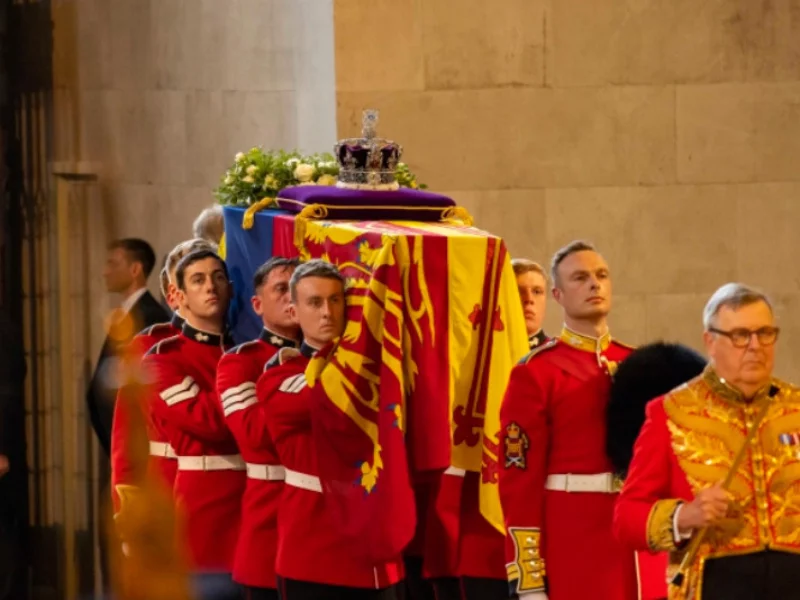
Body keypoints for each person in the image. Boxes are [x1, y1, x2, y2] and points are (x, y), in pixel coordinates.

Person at [614, 283, 800, 600]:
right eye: (740, 335)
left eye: (765, 333)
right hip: (715, 583)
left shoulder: (795, 407)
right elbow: (626, 519)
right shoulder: (671, 412)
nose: (756, 346)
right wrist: (685, 515)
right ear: (710, 342)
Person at [256, 259, 405, 599]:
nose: (327, 312)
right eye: (315, 302)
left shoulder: (377, 370)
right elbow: (331, 400)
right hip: (316, 554)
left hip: (380, 552)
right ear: (294, 311)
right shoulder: (278, 377)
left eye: (336, 300)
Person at [498, 240, 637, 600]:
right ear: (557, 295)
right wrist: (529, 577)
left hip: (639, 547)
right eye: (580, 277)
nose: (595, 284)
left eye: (601, 275)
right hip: (575, 541)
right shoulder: (536, 373)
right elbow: (519, 483)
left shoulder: (640, 364)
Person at [145, 249, 244, 600]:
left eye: (218, 277)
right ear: (178, 297)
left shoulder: (246, 352)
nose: (211, 287)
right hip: (205, 503)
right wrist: (247, 383)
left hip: (255, 497)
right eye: (198, 280)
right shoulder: (161, 358)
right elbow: (208, 422)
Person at [215, 257, 301, 599]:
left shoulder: (332, 359)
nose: (291, 298)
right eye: (281, 289)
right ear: (257, 304)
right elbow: (255, 435)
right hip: (270, 522)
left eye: (298, 290)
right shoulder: (239, 362)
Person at [110, 238, 216, 513]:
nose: (208, 287)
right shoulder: (149, 347)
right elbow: (127, 432)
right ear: (174, 293)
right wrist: (128, 506)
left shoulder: (233, 344)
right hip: (168, 483)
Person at [87, 238, 169, 455]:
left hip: (135, 446)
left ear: (135, 269)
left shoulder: (149, 316)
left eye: (113, 263)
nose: (105, 272)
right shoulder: (128, 313)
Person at [511, 258, 548, 349]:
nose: (529, 299)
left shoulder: (561, 358)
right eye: (518, 291)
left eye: (537, 292)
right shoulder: (483, 355)